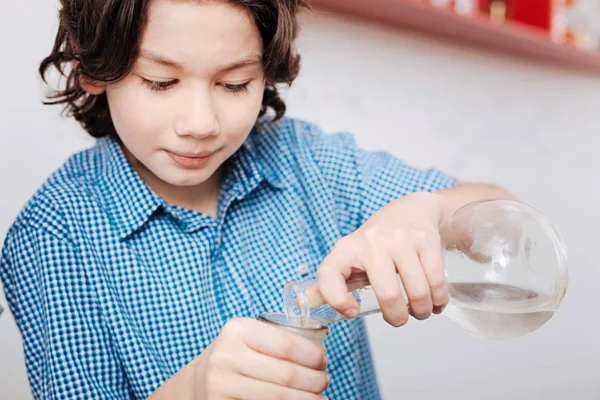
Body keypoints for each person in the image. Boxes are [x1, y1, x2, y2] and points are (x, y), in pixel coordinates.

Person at [0, 0, 515, 399]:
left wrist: (430, 211)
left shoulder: (305, 160)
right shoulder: (53, 237)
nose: (200, 124)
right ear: (94, 68)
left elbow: (503, 221)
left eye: (234, 83)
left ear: (265, 74)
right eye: (160, 82)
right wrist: (192, 389)